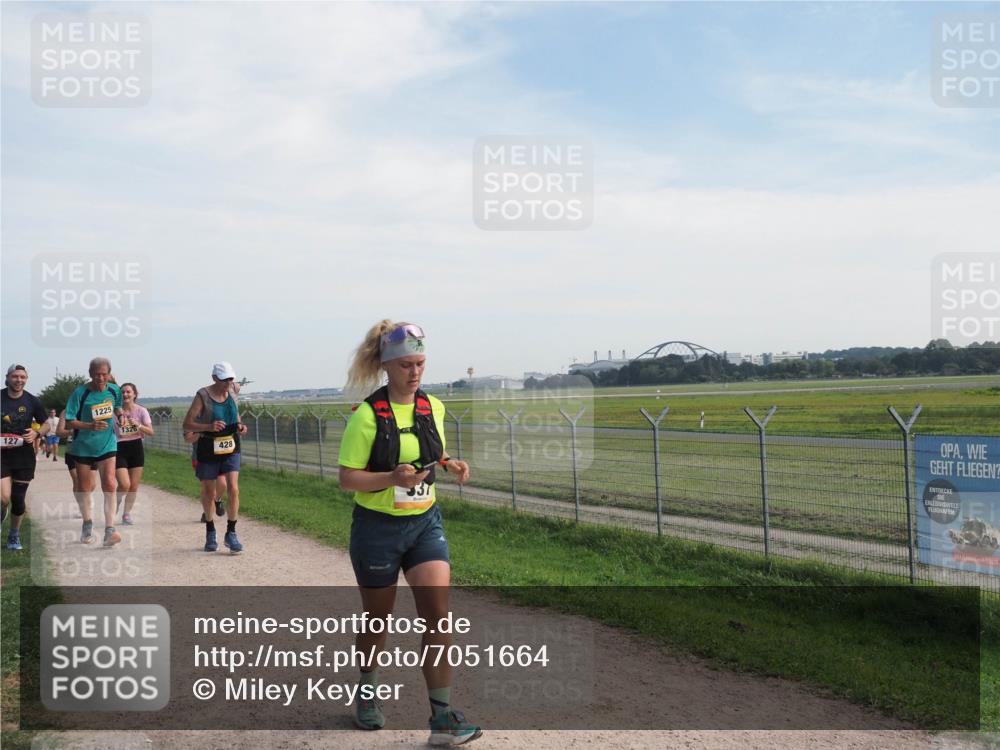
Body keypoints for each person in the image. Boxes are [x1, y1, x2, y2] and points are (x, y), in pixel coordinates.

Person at [338, 321, 478, 746]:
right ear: (386, 366)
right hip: (377, 530)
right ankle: (367, 688)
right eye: (405, 365)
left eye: (419, 363)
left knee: (436, 614)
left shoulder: (431, 406)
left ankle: (442, 718)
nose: (414, 372)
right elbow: (348, 479)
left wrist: (450, 462)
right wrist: (390, 478)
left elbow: (432, 449)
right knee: (378, 620)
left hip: (424, 524)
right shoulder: (366, 416)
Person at [182, 362, 248, 553]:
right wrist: (208, 427)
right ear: (214, 378)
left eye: (230, 378)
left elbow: (236, 417)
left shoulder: (233, 391)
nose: (228, 382)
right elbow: (188, 423)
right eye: (224, 379)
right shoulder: (202, 396)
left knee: (233, 489)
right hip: (208, 447)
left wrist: (241, 427)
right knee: (209, 491)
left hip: (231, 446)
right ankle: (210, 530)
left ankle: (231, 533)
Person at [65, 357, 125, 547]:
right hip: (83, 446)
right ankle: (87, 523)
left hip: (107, 444)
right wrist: (90, 425)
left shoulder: (114, 390)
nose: (100, 378)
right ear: (90, 374)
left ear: (109, 373)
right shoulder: (80, 393)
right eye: (97, 374)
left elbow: (117, 406)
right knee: (84, 487)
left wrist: (121, 415)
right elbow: (69, 421)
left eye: (104, 374)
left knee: (110, 483)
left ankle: (110, 530)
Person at [1, 364, 49, 551]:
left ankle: (14, 535)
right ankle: (2, 512)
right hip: (1, 455)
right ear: (8, 377)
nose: (19, 380)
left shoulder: (32, 401)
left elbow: (45, 424)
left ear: (26, 379)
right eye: (15, 376)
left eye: (22, 377)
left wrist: (37, 434)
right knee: (4, 497)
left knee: (18, 498)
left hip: (23, 456)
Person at [114, 383, 154, 525]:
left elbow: (151, 432)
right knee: (124, 484)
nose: (125, 395)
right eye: (123, 392)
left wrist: (139, 425)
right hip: (119, 448)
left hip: (136, 447)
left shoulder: (141, 411)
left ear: (134, 394)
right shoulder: (115, 412)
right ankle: (116, 502)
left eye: (128, 392)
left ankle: (126, 514)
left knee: (133, 486)